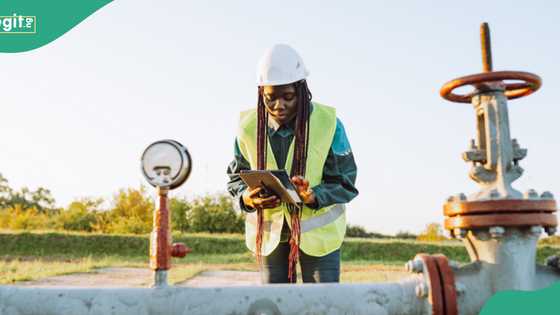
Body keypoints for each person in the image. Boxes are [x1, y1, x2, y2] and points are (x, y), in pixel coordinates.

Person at [227, 44, 358, 284]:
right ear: (260, 94)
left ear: (301, 90)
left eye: (288, 96)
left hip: (319, 239)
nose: (279, 105)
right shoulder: (247, 127)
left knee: (322, 307)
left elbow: (346, 182)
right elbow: (235, 178)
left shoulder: (328, 124)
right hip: (270, 236)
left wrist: (313, 196)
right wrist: (247, 198)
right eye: (270, 98)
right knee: (275, 306)